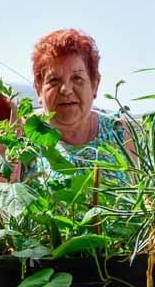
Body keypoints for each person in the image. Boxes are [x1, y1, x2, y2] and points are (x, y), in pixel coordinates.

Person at [29, 28, 132, 181]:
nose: (66, 90)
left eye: (77, 78)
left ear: (94, 84)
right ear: (38, 89)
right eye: (54, 80)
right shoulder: (24, 136)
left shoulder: (119, 132)